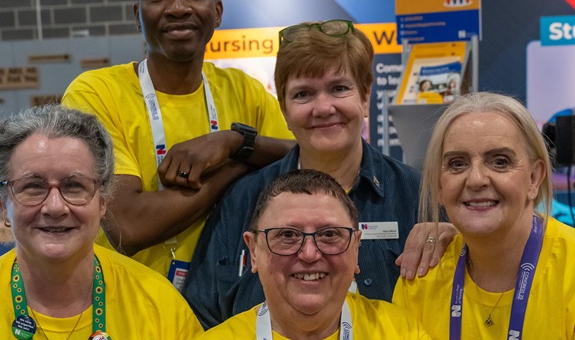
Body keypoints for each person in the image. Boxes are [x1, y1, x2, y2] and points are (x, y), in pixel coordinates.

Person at [183, 19, 454, 328]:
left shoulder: (420, 197)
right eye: (303, 94)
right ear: (283, 110)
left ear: (365, 97)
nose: (323, 108)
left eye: (339, 88)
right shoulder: (243, 200)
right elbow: (202, 315)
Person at [62, 0, 294, 288]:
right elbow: (128, 226)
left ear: (217, 11)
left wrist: (233, 141)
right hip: (129, 304)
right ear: (137, 13)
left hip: (226, 303)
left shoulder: (242, 89)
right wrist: (236, 167)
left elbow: (301, 161)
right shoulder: (96, 94)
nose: (178, 8)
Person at [0, 105, 203, 338]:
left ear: (103, 200)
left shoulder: (158, 305)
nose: (55, 207)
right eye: (33, 187)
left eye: (74, 186)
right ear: (3, 205)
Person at [393, 92, 575, 339]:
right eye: (457, 164)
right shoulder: (420, 278)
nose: (476, 179)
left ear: (534, 178)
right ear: (438, 186)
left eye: (500, 161)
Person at [198, 169, 432, 339]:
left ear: (356, 247)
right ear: (253, 251)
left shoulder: (403, 332)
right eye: (288, 235)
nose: (309, 254)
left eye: (329, 234)